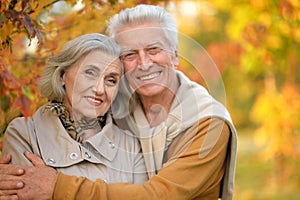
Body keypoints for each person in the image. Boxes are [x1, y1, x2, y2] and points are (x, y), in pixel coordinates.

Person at [0, 4, 238, 200]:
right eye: (130, 55)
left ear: (175, 55)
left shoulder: (208, 125)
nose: (144, 64)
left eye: (154, 49)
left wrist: (57, 186)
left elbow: (159, 196)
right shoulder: (123, 107)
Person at [1, 33, 148, 185]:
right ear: (62, 76)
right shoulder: (25, 134)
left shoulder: (130, 145)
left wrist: (55, 188)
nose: (99, 89)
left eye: (111, 80)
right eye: (90, 73)